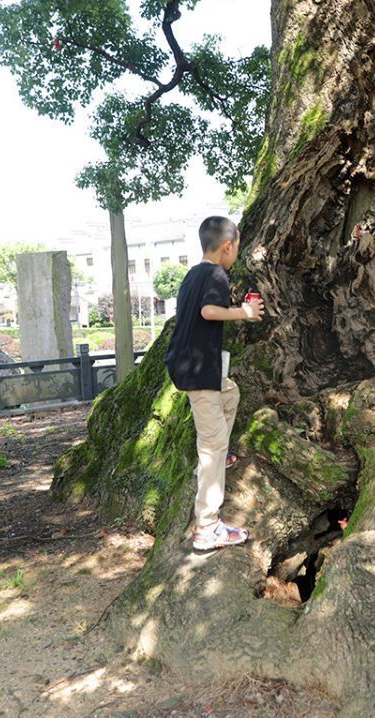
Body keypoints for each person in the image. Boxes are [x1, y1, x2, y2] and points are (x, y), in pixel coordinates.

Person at [163, 215, 265, 552]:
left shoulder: (194, 274)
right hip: (198, 371)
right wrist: (245, 312)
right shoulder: (218, 274)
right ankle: (207, 528)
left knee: (231, 392)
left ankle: (217, 458)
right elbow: (209, 312)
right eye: (236, 246)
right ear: (227, 246)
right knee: (211, 445)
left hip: (193, 366)